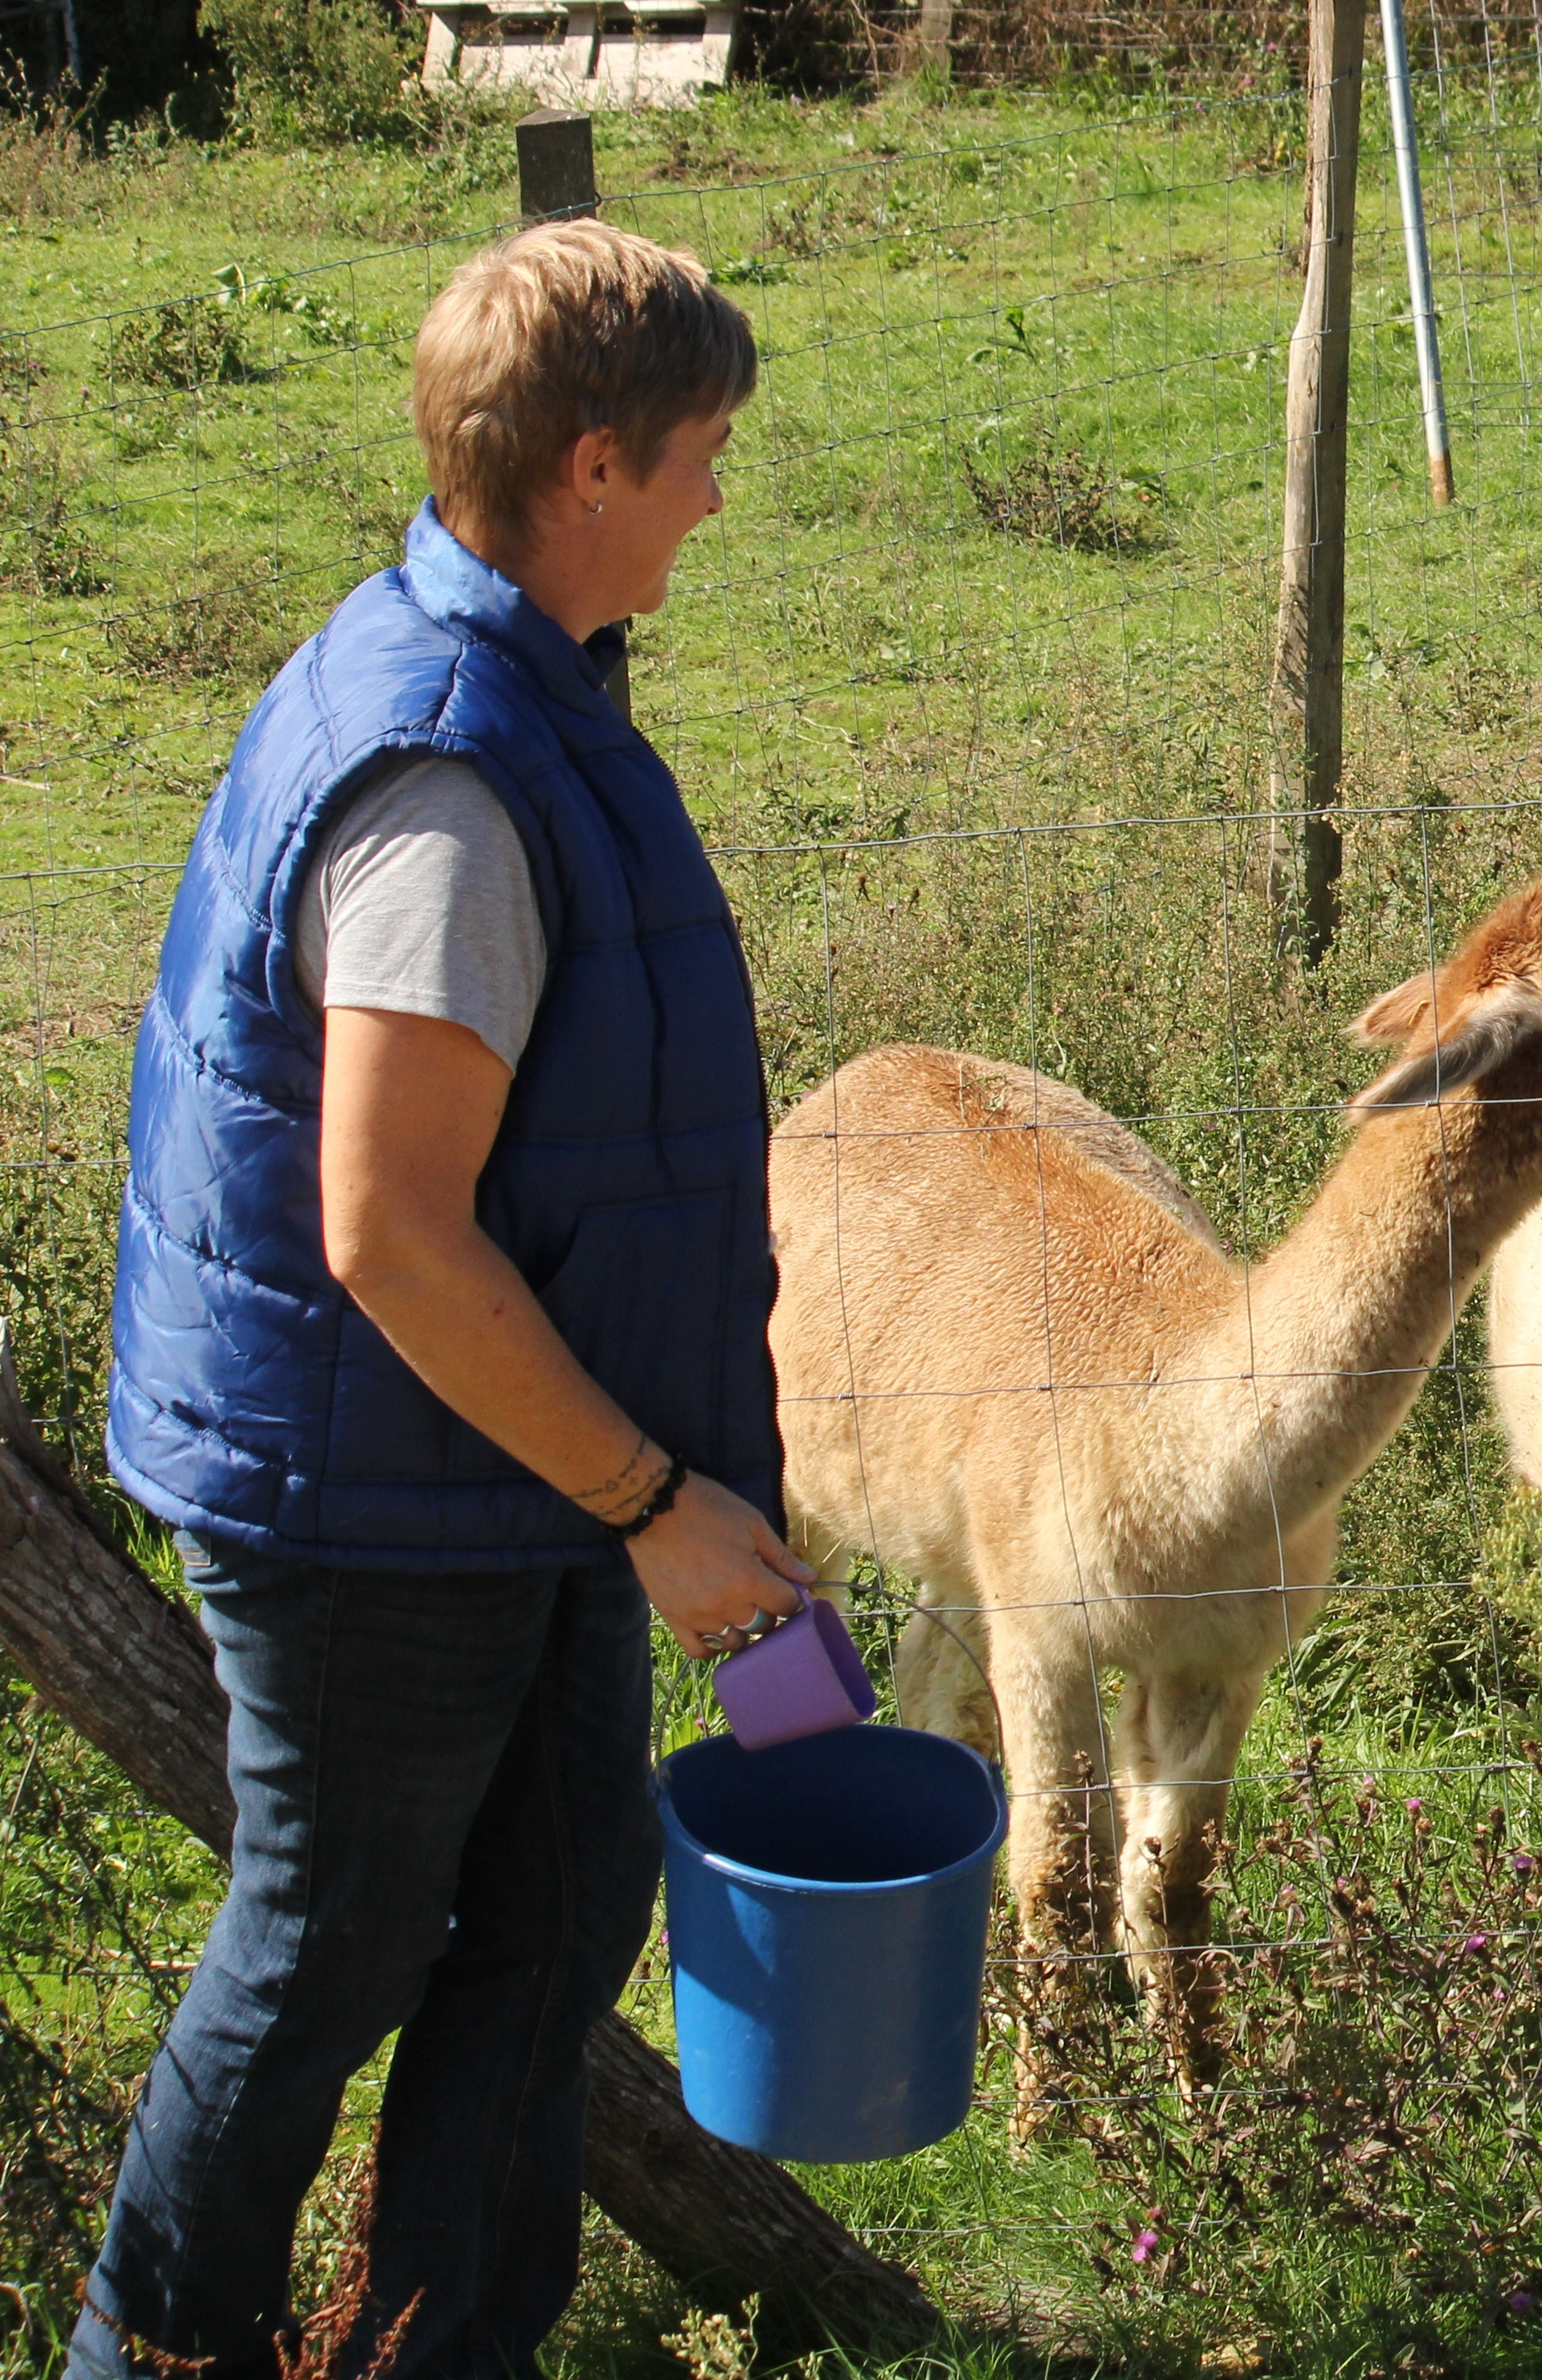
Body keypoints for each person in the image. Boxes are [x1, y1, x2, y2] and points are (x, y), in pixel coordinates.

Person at [76, 219, 815, 2380]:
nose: (715, 495)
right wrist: (651, 1500)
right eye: (697, 453)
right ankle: (153, 2355)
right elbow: (391, 1234)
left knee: (571, 1897)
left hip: (509, 1466)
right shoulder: (451, 788)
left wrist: (630, 1480)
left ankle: (435, 2345)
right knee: (330, 1941)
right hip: (384, 1489)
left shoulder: (497, 675)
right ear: (592, 466)